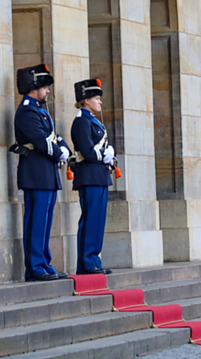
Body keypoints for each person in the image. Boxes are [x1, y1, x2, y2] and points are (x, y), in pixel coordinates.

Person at [12, 64, 71, 281]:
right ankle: (35, 267)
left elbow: (53, 136)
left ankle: (44, 262)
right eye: (45, 87)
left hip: (45, 173)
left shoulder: (39, 111)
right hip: (36, 173)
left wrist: (65, 148)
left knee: (45, 222)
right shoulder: (27, 110)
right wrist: (58, 154)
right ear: (34, 88)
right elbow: (39, 141)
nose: (47, 91)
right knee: (36, 221)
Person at [69, 79, 114, 275]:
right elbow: (87, 151)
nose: (100, 102)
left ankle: (94, 259)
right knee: (90, 219)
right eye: (96, 98)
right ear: (86, 100)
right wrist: (103, 155)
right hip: (89, 175)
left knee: (98, 220)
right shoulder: (81, 121)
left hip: (99, 175)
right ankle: (87, 262)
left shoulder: (92, 121)